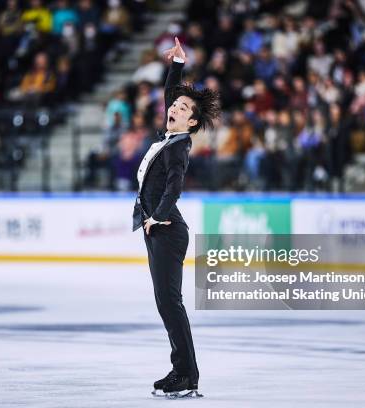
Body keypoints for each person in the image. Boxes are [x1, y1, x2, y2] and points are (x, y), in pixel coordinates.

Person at [132, 37, 219, 397]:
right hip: (157, 229)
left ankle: (188, 375)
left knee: (171, 303)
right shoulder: (170, 137)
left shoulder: (180, 146)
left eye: (184, 108)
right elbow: (171, 96)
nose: (175, 108)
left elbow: (174, 186)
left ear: (192, 121)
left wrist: (158, 217)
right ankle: (179, 368)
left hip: (166, 230)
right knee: (164, 303)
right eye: (176, 105)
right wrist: (178, 65)